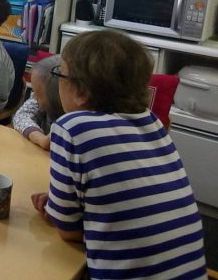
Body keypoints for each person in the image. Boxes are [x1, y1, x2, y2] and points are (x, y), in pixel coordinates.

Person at [31, 30, 206, 279]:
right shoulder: (152, 122)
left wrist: (58, 210)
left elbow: (67, 230)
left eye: (60, 74)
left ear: (81, 92)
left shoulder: (72, 128)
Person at [12, 55, 64, 150]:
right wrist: (40, 139)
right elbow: (21, 115)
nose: (33, 96)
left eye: (37, 93)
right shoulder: (36, 100)